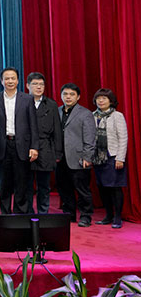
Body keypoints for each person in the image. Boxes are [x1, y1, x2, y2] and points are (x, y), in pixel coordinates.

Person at [0, 67, 39, 215]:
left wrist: (34, 147)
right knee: (4, 183)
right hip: (3, 145)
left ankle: (20, 213)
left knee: (21, 182)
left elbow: (33, 125)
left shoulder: (27, 99)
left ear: (18, 81)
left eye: (13, 78)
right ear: (1, 81)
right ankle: (5, 214)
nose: (10, 81)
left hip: (22, 145)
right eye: (7, 78)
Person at [57, 83, 96, 227]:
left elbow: (90, 137)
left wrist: (87, 157)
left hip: (79, 158)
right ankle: (69, 214)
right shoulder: (57, 111)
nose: (68, 97)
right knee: (64, 188)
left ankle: (86, 216)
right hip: (60, 158)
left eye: (72, 94)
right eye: (65, 94)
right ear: (61, 96)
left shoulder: (85, 113)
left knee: (82, 189)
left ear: (78, 97)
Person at [26, 72, 63, 214]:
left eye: (41, 84)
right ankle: (28, 212)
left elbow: (57, 130)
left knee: (44, 185)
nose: (38, 87)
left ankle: (43, 212)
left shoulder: (51, 104)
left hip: (46, 147)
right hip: (26, 147)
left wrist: (57, 153)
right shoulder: (22, 102)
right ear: (28, 86)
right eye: (35, 84)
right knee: (26, 184)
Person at [92, 89, 128, 229]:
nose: (101, 101)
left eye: (104, 98)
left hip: (113, 156)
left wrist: (120, 158)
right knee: (102, 188)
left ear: (111, 101)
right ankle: (108, 215)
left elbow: (123, 138)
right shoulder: (92, 115)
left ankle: (117, 217)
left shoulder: (117, 116)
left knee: (115, 188)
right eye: (98, 98)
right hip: (98, 157)